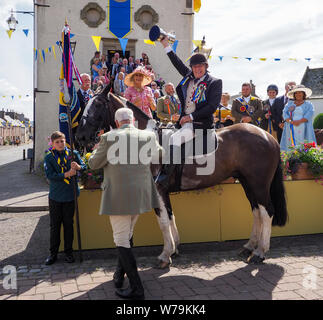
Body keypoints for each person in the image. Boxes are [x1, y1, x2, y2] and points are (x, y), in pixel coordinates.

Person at [88, 108, 163, 300]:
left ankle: (137, 288)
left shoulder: (108, 137)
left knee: (121, 239)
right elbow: (159, 155)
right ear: (132, 120)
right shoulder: (147, 135)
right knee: (127, 234)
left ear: (117, 121)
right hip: (141, 192)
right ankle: (119, 276)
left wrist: (96, 150)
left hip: (119, 194)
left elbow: (94, 164)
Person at [156, 35, 222, 189]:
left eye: (200, 66)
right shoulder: (189, 77)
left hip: (199, 124)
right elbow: (176, 62)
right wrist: (165, 44)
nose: (197, 69)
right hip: (185, 122)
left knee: (174, 139)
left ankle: (166, 178)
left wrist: (190, 117)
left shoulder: (214, 82)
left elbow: (212, 107)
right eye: (194, 66)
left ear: (205, 66)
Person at [44, 131, 86, 265]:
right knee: (54, 226)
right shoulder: (49, 157)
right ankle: (53, 254)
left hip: (70, 195)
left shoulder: (73, 154)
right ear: (53, 144)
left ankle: (69, 253)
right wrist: (66, 174)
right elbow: (50, 175)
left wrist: (79, 167)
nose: (61, 144)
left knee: (69, 225)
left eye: (62, 141)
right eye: (57, 142)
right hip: (56, 196)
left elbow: (84, 167)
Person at [280, 85, 317, 151]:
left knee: (304, 144)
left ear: (303, 94)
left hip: (304, 128)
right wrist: (291, 122)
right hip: (290, 128)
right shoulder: (289, 104)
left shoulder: (308, 104)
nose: (298, 94)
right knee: (290, 144)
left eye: (300, 92)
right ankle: (290, 158)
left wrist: (299, 122)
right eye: (296, 93)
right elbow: (284, 113)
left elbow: (310, 114)